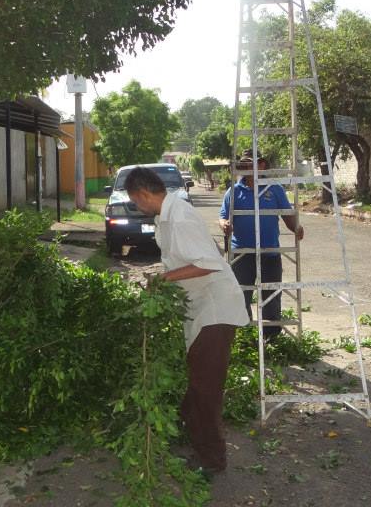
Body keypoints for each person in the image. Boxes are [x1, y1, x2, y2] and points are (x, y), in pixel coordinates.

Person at [123, 166, 249, 477]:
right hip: (201, 310)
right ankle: (196, 441)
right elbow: (182, 260)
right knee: (197, 386)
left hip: (215, 310)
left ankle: (212, 461)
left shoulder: (178, 217)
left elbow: (206, 263)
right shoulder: (166, 217)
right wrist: (166, 277)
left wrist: (164, 279)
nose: (137, 207)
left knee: (205, 390)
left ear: (143, 194)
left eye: (135, 202)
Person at [219, 149, 304, 337]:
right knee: (240, 295)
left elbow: (287, 215)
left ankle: (270, 335)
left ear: (262, 165)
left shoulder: (274, 189)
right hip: (241, 253)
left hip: (270, 252)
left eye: (253, 164)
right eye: (245, 165)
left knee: (271, 295)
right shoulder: (233, 192)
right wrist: (224, 224)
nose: (249, 168)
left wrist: (296, 228)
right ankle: (245, 334)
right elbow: (223, 216)